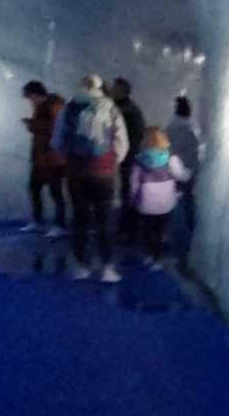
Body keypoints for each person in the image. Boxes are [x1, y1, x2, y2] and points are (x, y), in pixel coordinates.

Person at [52, 74, 129, 282]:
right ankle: (107, 269)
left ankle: (80, 266)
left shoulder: (69, 107)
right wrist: (111, 162)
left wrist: (69, 158)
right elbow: (122, 142)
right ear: (100, 86)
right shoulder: (111, 108)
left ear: (82, 86)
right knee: (105, 220)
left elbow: (57, 141)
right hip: (104, 174)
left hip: (77, 173)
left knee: (80, 219)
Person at [129, 125, 192, 269]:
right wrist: (190, 172)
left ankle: (149, 255)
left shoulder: (139, 160)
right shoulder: (171, 158)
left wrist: (133, 200)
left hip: (145, 203)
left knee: (148, 229)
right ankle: (158, 258)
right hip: (166, 203)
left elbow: (133, 184)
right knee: (160, 229)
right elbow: (182, 176)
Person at [19, 80, 67, 235]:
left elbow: (56, 127)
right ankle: (38, 220)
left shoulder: (53, 105)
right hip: (41, 157)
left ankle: (60, 225)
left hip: (52, 158)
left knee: (55, 191)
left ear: (36, 94)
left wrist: (33, 124)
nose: (30, 101)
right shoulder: (42, 106)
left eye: (30, 97)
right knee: (35, 188)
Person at [110, 76, 145, 245]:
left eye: (115, 88)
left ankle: (129, 230)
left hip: (128, 158)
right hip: (129, 157)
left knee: (128, 193)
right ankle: (128, 229)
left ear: (123, 91)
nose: (112, 91)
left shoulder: (126, 110)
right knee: (128, 193)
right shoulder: (129, 109)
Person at [168, 93, 201, 268]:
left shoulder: (172, 127)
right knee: (187, 208)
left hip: (175, 171)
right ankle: (185, 249)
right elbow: (195, 153)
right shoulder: (190, 128)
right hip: (188, 172)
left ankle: (177, 246)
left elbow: (170, 150)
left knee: (177, 207)